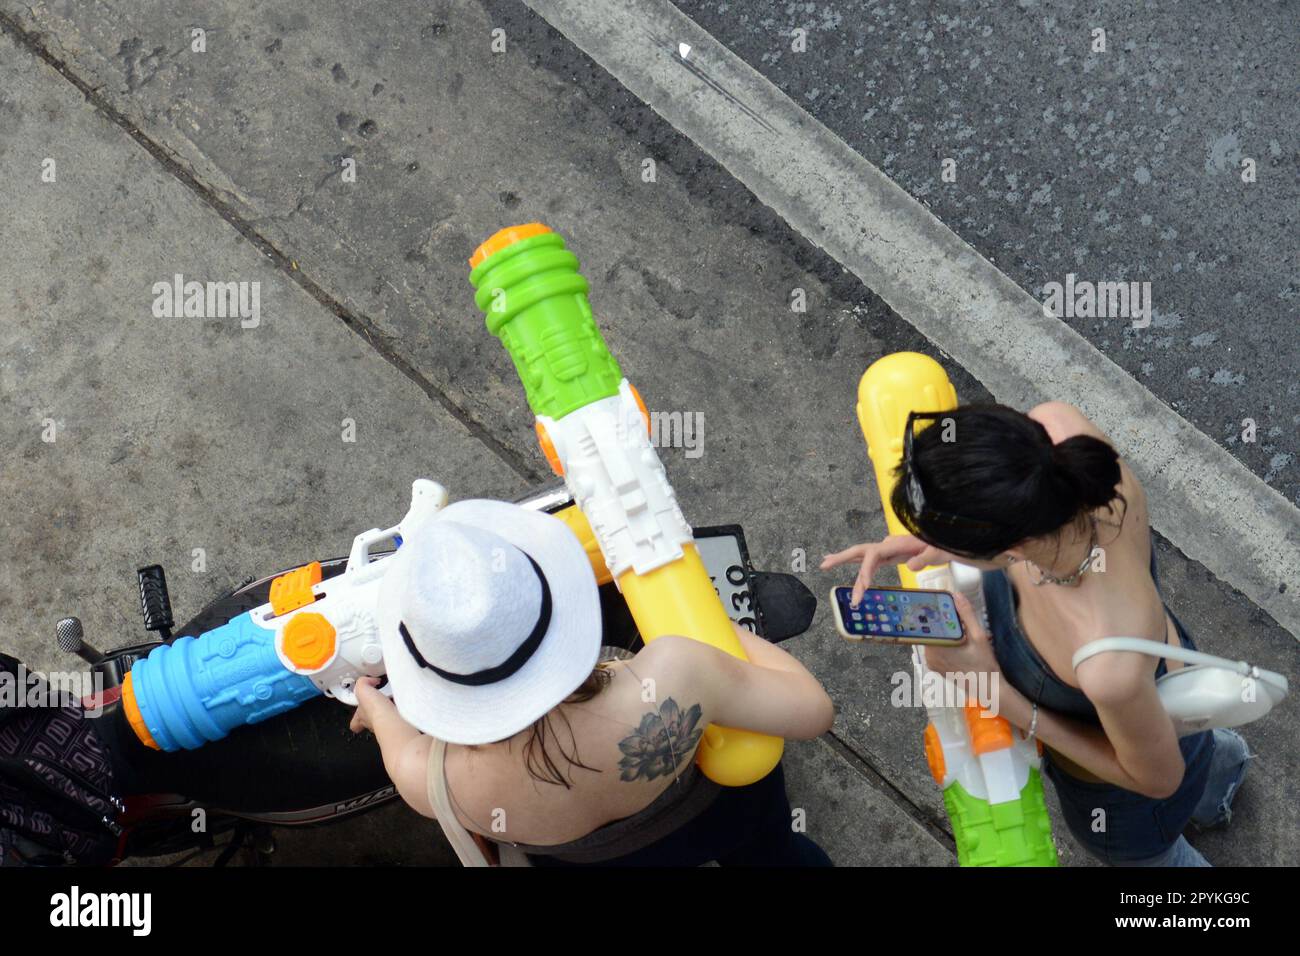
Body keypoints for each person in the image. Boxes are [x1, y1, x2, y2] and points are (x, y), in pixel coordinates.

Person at [822, 401, 1250, 866]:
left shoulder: (1107, 664)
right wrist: (940, 536)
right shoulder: (1056, 430)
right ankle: (1224, 778)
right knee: (1203, 745)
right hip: (1169, 682)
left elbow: (1158, 779)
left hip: (1124, 791)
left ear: (1011, 547)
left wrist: (996, 694)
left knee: (1156, 856)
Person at [350, 498, 834, 866]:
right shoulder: (679, 669)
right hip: (731, 818)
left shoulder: (435, 782)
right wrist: (706, 625)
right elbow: (813, 710)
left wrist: (373, 705)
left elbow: (399, 751)